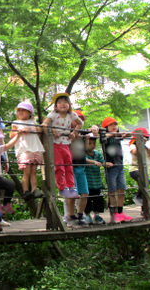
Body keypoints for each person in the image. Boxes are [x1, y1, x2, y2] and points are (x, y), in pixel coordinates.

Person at [41, 93, 83, 228]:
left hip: (66, 143)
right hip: (55, 144)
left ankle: (71, 187)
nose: (63, 104)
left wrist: (74, 131)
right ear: (55, 106)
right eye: (60, 102)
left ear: (69, 105)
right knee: (59, 166)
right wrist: (53, 129)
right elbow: (44, 124)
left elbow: (80, 123)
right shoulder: (53, 115)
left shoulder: (72, 116)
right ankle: (62, 187)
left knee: (68, 166)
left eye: (66, 102)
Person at [10, 100, 45, 200]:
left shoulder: (33, 122)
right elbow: (11, 135)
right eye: (19, 110)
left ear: (30, 113)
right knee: (27, 171)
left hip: (35, 148)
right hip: (24, 149)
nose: (20, 112)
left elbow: (40, 131)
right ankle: (25, 191)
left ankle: (34, 190)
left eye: (23, 110)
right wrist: (18, 132)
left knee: (33, 171)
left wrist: (31, 129)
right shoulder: (16, 123)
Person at [101, 117, 133, 223]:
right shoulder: (106, 137)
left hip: (120, 165)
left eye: (115, 124)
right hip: (111, 167)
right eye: (111, 125)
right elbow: (104, 136)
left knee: (121, 189)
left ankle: (120, 213)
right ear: (106, 127)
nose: (114, 126)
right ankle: (114, 214)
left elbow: (128, 134)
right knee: (112, 191)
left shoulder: (117, 136)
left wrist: (125, 134)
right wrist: (116, 134)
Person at [69, 110, 89, 227]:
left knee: (85, 193)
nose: (79, 122)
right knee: (72, 193)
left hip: (81, 166)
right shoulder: (67, 132)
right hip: (71, 166)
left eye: (81, 119)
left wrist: (86, 139)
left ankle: (80, 215)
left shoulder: (82, 134)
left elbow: (86, 150)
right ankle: (71, 217)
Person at [128, 127, 150, 209]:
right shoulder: (132, 145)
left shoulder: (144, 147)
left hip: (143, 170)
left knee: (146, 185)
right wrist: (140, 142)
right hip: (134, 170)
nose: (145, 139)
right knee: (146, 182)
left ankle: (144, 208)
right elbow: (135, 152)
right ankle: (137, 196)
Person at [84, 134, 107, 225]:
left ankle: (97, 215)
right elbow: (83, 159)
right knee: (87, 199)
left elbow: (102, 162)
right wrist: (94, 162)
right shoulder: (84, 154)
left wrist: (106, 164)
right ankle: (87, 215)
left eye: (93, 143)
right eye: (90, 143)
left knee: (98, 199)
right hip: (88, 181)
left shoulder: (97, 153)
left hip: (96, 181)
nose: (92, 145)